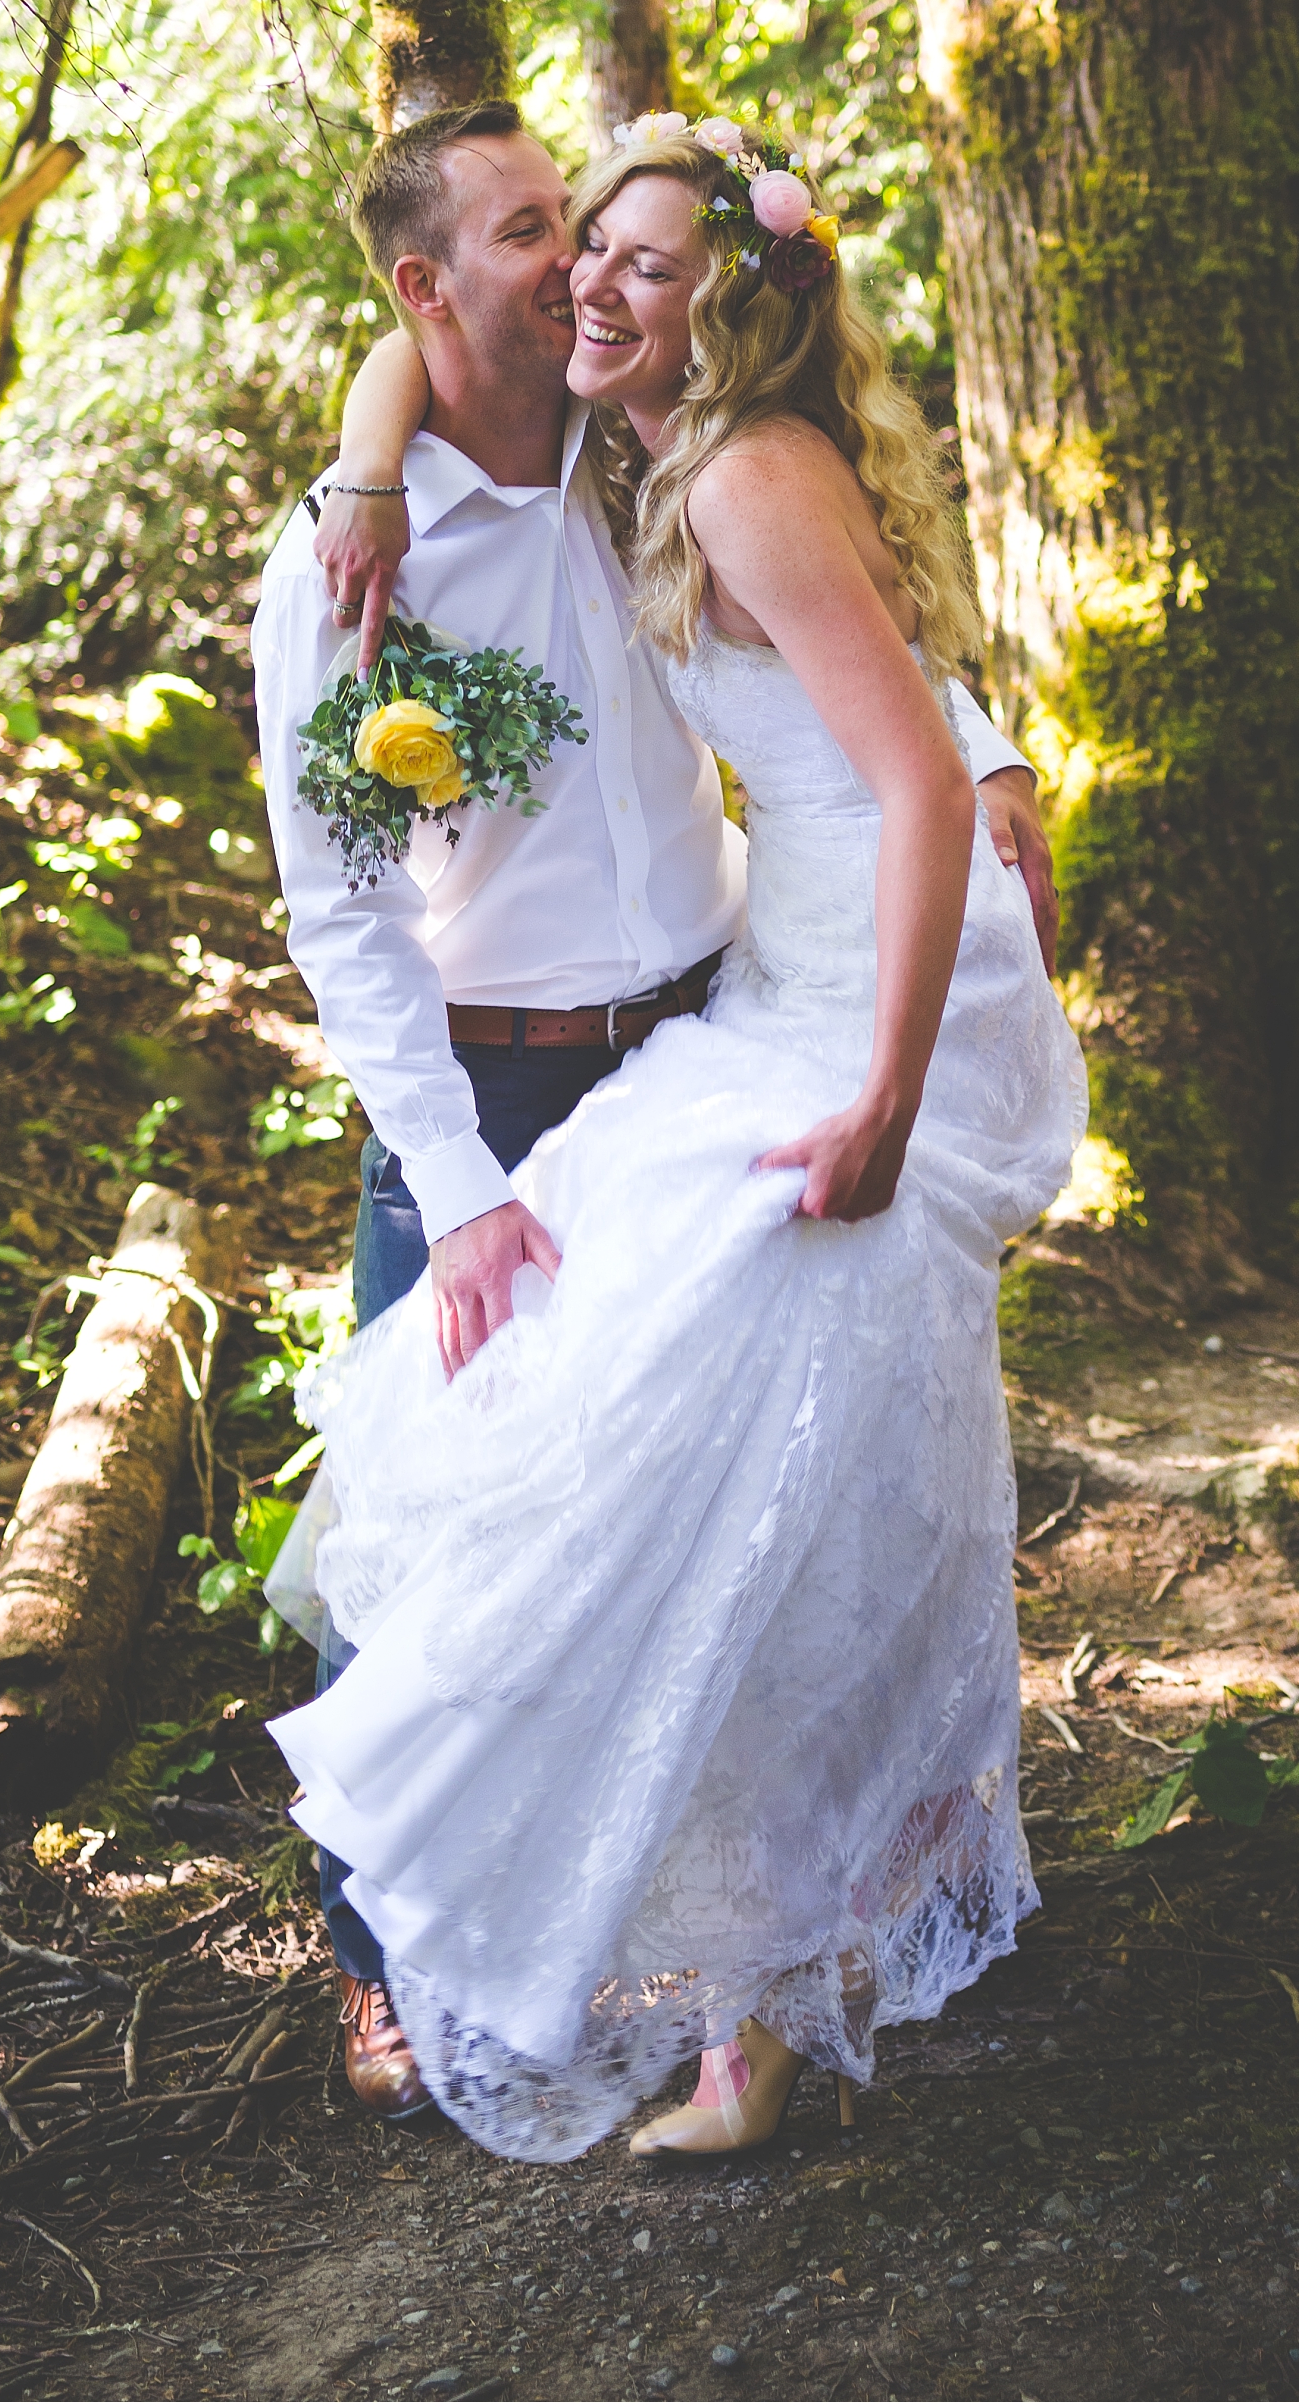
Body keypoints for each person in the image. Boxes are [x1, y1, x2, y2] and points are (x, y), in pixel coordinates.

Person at [260, 111, 1086, 2162]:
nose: (571, 268)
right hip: (487, 1082)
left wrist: (980, 766)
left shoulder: (652, 444)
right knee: (432, 1497)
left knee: (731, 1501)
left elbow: (856, 656)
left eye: (585, 230)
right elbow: (337, 914)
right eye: (529, 235)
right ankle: (395, 1961)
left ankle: (771, 1936)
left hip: (718, 1015)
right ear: (424, 292)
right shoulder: (361, 565)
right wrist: (453, 1194)